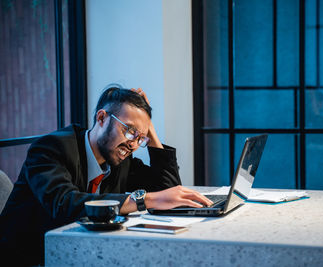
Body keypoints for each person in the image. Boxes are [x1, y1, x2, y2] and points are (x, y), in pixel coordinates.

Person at [0, 86, 212, 266]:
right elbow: (64, 204)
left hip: (83, 253)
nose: (133, 145)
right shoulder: (51, 148)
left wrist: (148, 129)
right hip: (31, 258)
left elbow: (167, 189)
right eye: (129, 131)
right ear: (101, 118)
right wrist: (143, 200)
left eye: (140, 139)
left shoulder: (119, 158)